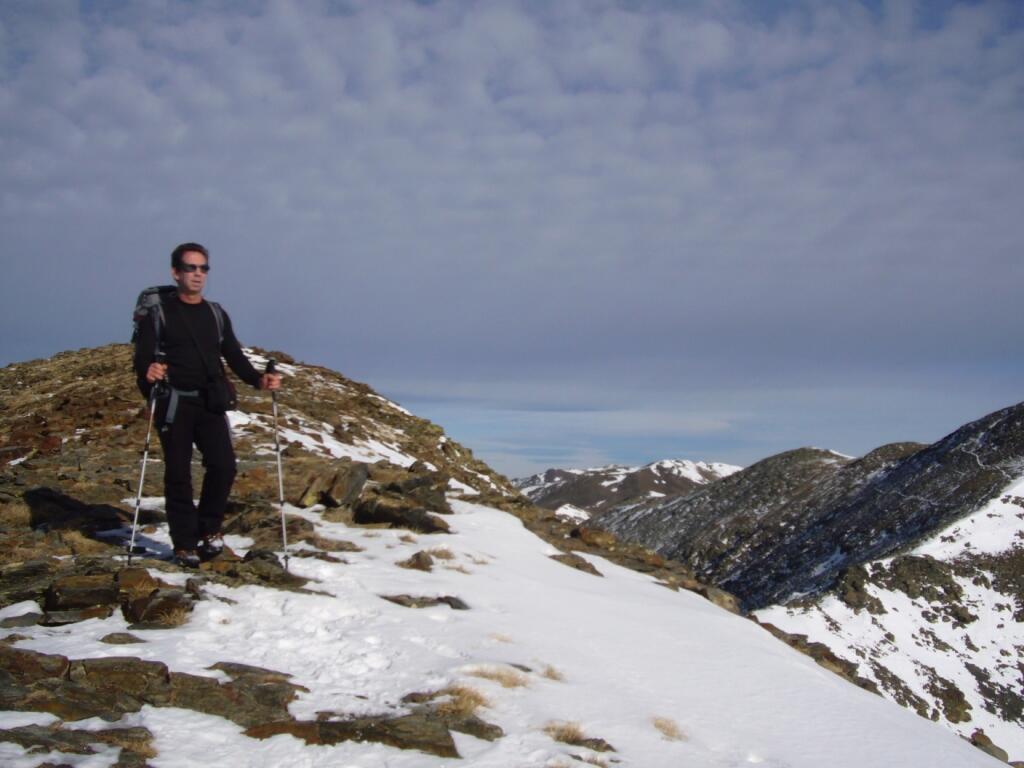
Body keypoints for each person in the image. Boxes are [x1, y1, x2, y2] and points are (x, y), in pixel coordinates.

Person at [133, 242, 281, 567]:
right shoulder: (159, 315)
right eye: (191, 268)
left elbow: (233, 355)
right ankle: (184, 544)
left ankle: (209, 529)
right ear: (176, 273)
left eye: (203, 268)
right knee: (178, 474)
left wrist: (258, 380)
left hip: (210, 401)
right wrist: (149, 371)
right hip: (174, 402)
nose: (198, 274)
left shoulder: (216, 314)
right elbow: (142, 358)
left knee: (224, 466)